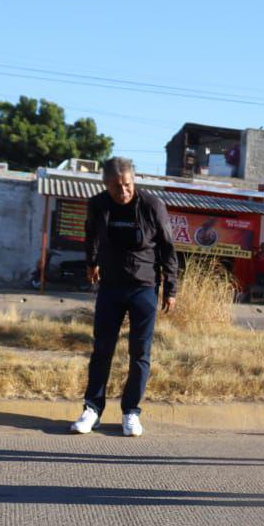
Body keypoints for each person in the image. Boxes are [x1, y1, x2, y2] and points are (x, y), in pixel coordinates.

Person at [70, 157, 178, 437]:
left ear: (134, 180)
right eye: (117, 186)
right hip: (111, 287)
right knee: (102, 349)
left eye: (128, 184)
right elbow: (91, 234)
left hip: (144, 287)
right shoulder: (98, 204)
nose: (124, 191)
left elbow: (167, 247)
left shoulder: (152, 205)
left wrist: (171, 287)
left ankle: (131, 411)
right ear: (106, 184)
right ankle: (92, 409)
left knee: (140, 352)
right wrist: (91, 262)